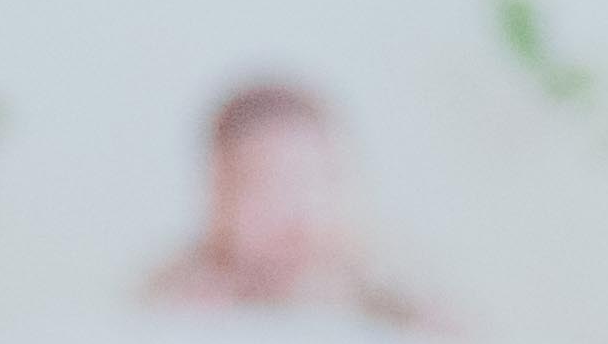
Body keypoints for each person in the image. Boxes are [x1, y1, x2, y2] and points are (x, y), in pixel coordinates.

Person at [144, 77, 445, 330]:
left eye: (316, 181)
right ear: (219, 199)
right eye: (266, 187)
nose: (296, 211)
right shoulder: (187, 285)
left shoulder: (376, 281)